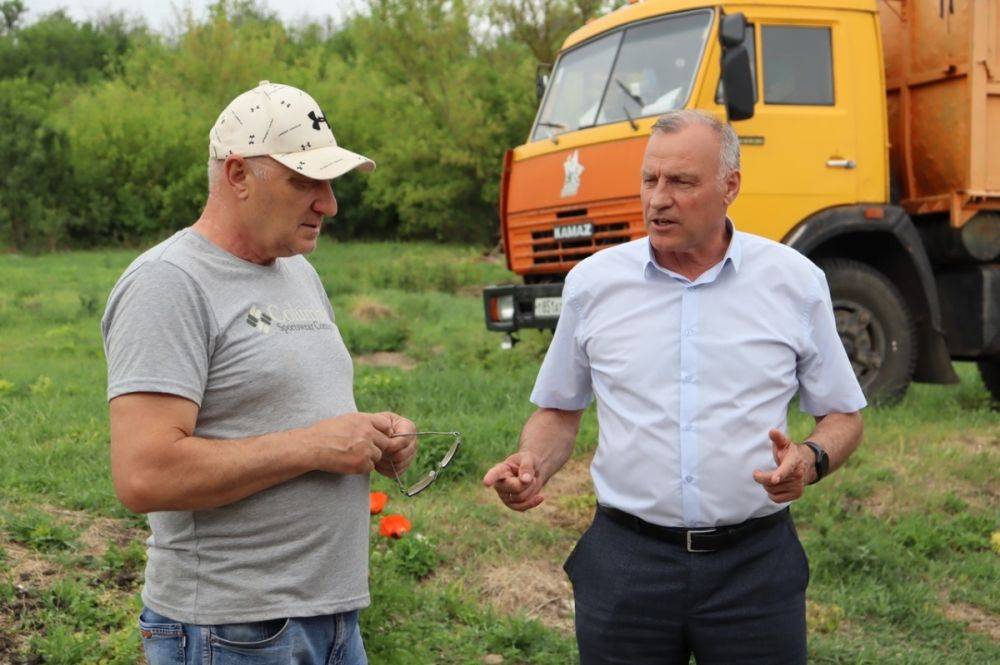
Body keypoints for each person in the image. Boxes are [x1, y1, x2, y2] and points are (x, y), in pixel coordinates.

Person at [483, 109, 865, 664]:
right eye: (649, 180)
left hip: (753, 569)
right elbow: (559, 411)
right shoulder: (593, 285)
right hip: (626, 563)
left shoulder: (794, 282)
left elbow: (844, 416)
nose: (658, 199)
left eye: (681, 182)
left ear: (730, 185)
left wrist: (810, 458)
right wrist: (532, 465)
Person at [102, 80, 416, 664]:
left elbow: (293, 411)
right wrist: (313, 446)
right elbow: (143, 476)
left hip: (332, 619)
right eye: (305, 181)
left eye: (329, 182)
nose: (329, 203)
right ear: (239, 175)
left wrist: (371, 437)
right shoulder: (167, 284)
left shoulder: (296, 272)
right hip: (230, 632)